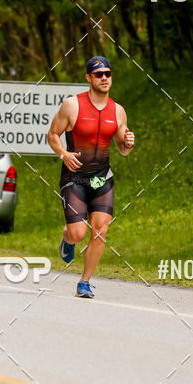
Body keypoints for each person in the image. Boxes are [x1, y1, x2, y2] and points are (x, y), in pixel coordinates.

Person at [47, 56, 135, 298]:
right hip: (74, 179)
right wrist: (63, 153)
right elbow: (53, 134)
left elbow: (123, 148)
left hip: (102, 179)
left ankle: (85, 282)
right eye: (98, 74)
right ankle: (68, 238)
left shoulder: (118, 111)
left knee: (100, 231)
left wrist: (128, 143)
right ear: (89, 78)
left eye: (108, 73)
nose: (104, 77)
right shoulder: (72, 106)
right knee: (78, 233)